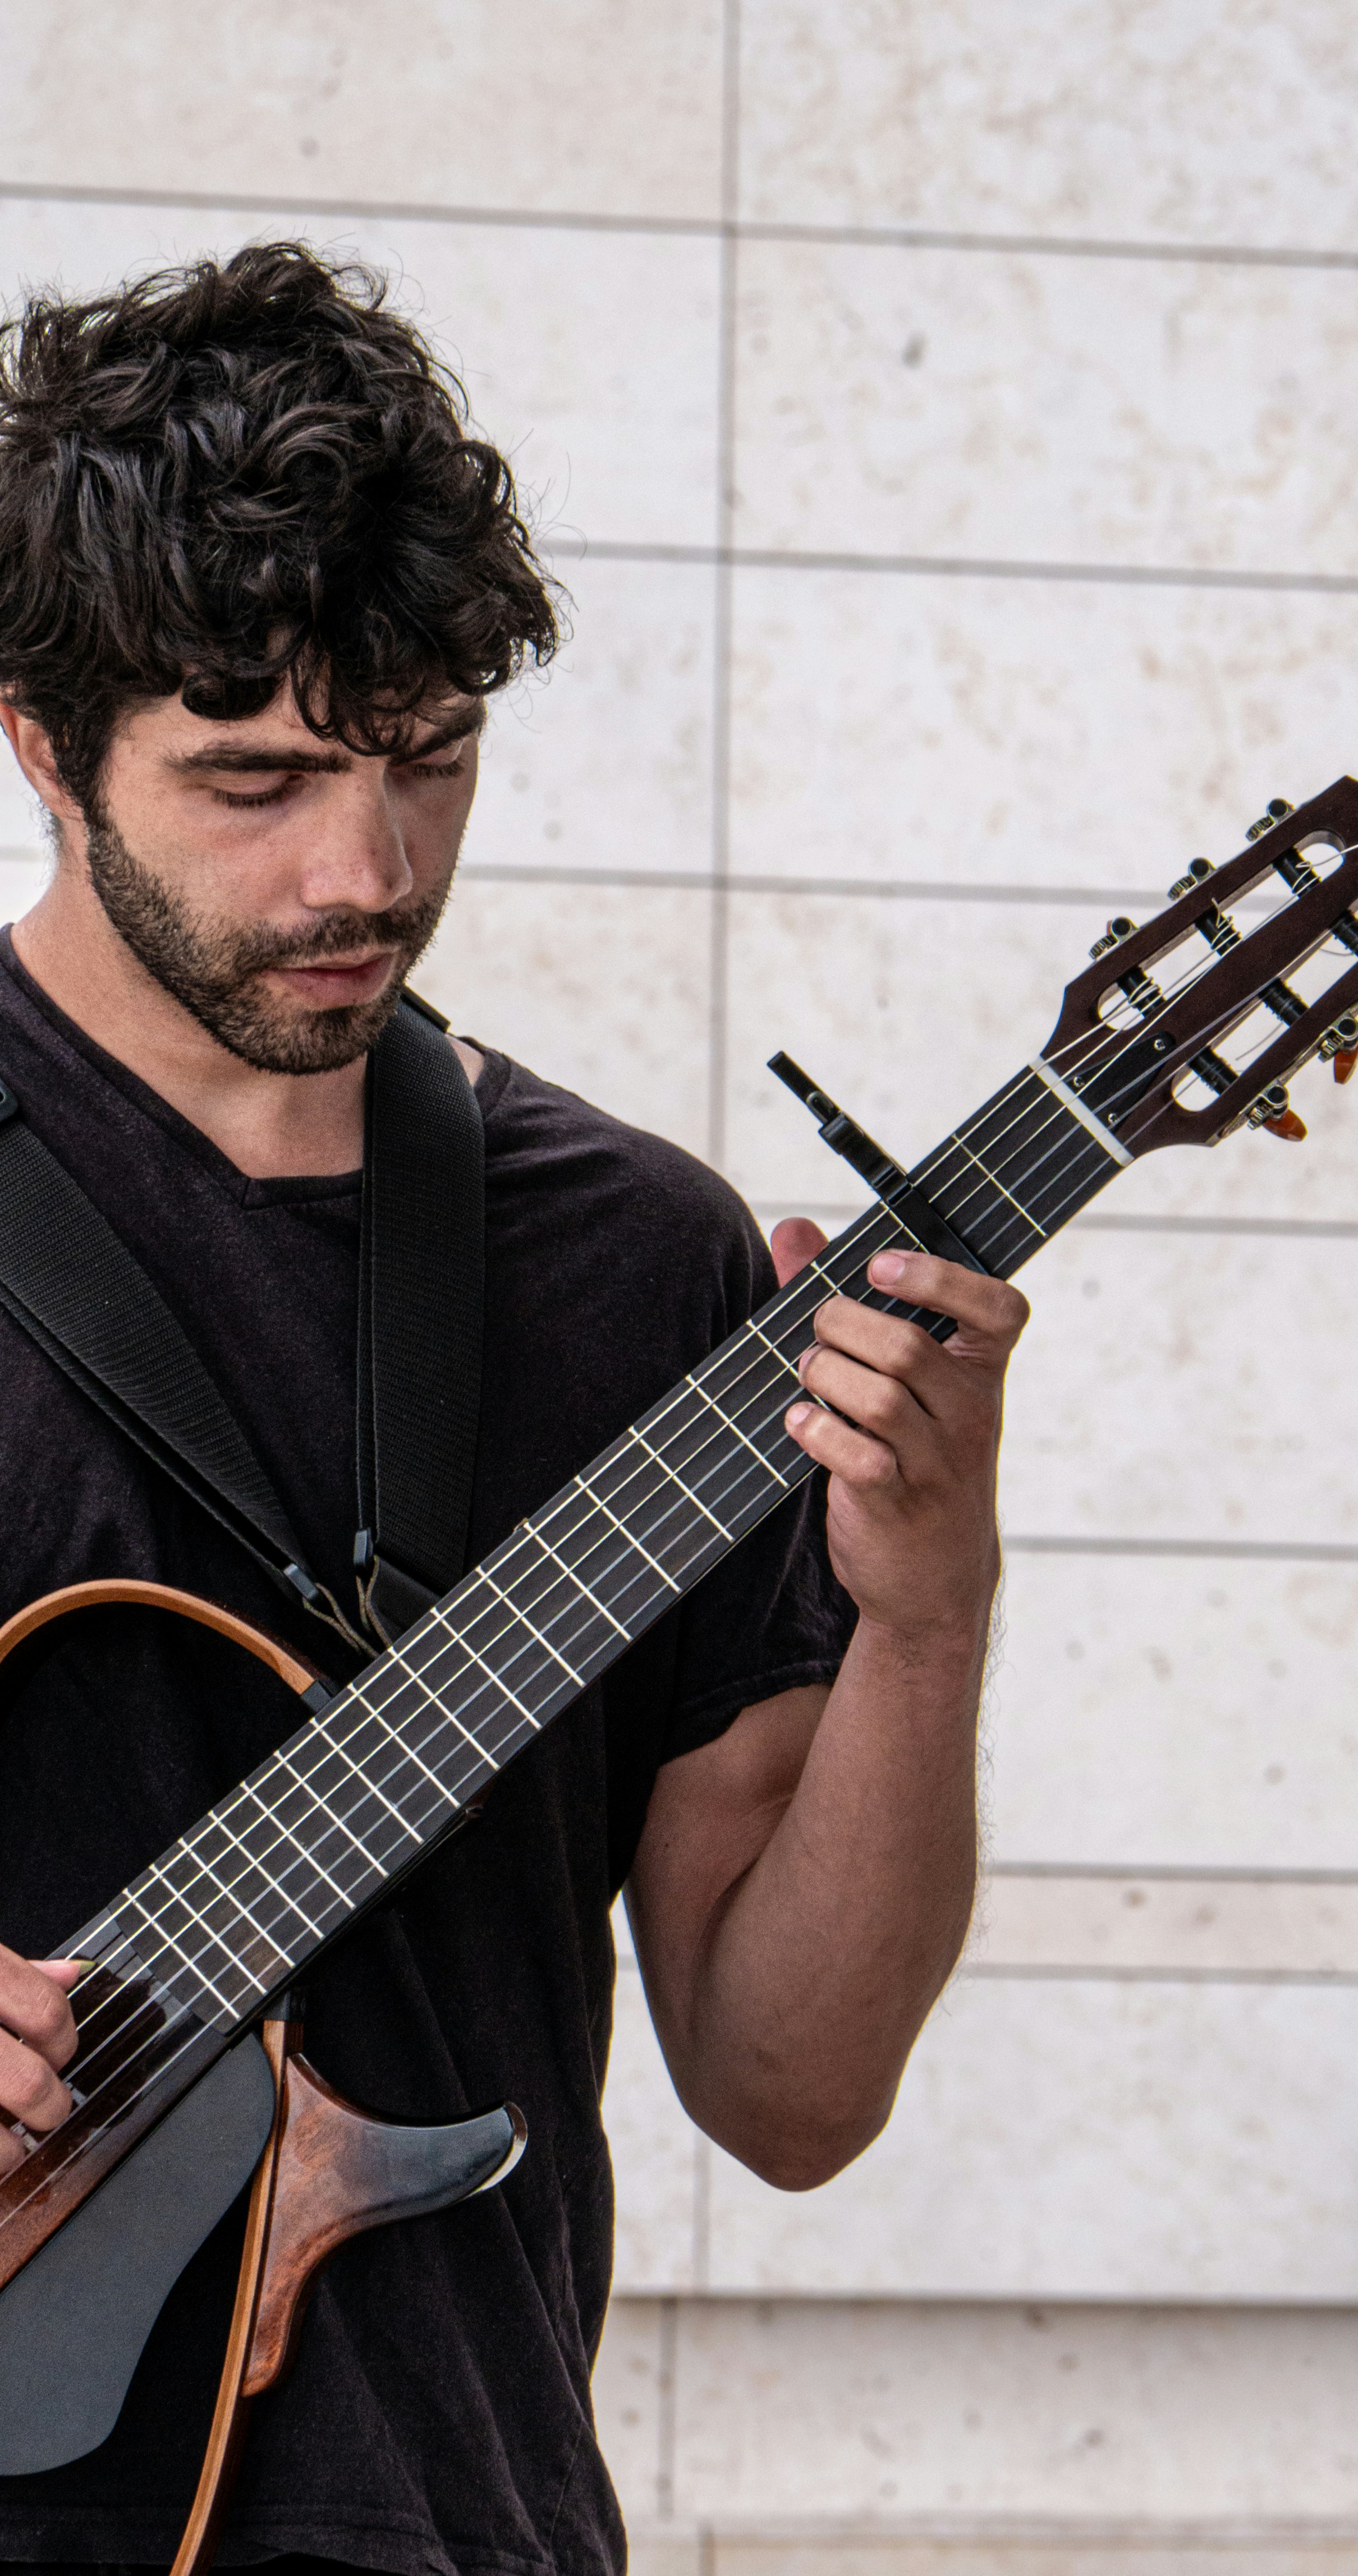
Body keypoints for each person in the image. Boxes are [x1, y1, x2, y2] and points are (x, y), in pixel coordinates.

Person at [0, 243, 1027, 2576]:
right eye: (252, 779)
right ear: (41, 743)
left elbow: (789, 2088)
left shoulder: (639, 1271)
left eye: (425, 756)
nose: (360, 872)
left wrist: (931, 1618)